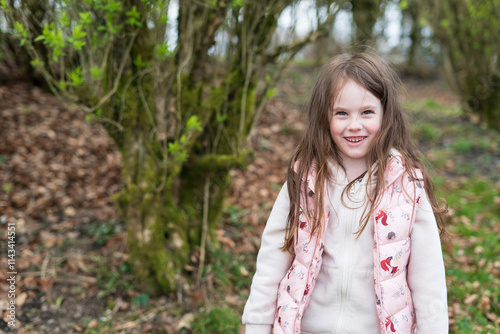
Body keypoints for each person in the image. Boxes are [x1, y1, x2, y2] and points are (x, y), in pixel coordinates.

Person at [241, 51, 448, 334]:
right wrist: (257, 323)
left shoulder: (406, 186)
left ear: (386, 114)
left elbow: (429, 279)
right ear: (324, 117)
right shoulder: (306, 179)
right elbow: (272, 257)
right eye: (341, 113)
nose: (354, 125)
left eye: (366, 112)